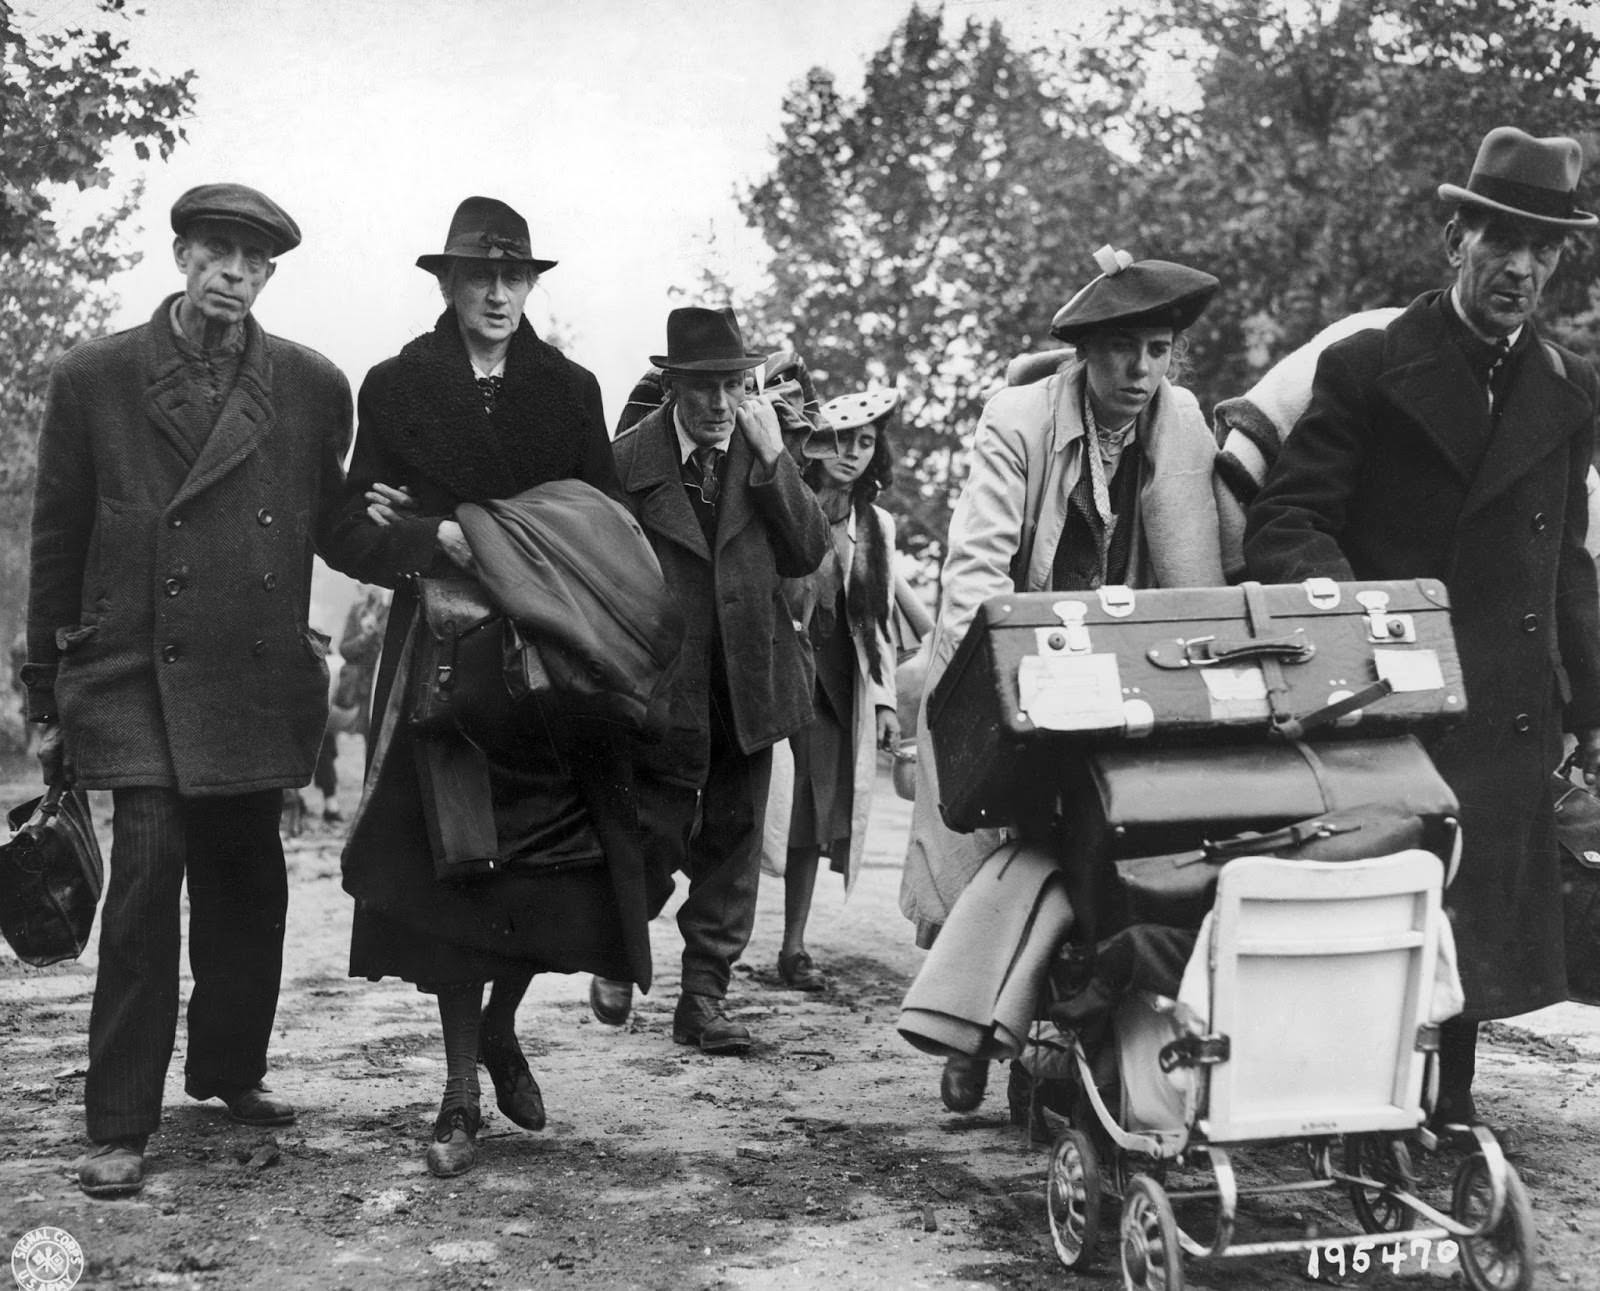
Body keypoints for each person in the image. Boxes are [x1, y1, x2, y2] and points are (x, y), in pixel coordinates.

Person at [1244, 126, 1600, 1139]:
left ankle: (1446, 1100)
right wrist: (1363, 622)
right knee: (1390, 899)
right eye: (1502, 241)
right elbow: (1289, 517)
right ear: (1457, 235)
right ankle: (1354, 1099)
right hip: (1387, 693)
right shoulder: (1369, 366)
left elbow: (1565, 559)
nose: (1521, 268)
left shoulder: (1569, 389)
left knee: (1479, 903)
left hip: (1507, 699)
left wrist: (1592, 709)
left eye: (1545, 249)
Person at [22, 184, 352, 1196]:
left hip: (253, 674)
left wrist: (444, 537)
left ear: (270, 275)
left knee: (250, 880)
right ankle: (120, 1119)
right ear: (180, 256)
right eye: (216, 253)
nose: (233, 275)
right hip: (133, 669)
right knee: (149, 879)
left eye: (253, 263)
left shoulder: (309, 387)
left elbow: (335, 526)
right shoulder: (97, 378)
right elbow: (57, 539)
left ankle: (227, 1070)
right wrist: (43, 691)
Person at [321, 196, 658, 1178]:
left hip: (550, 675)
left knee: (555, 883)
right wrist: (436, 537)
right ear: (447, 284)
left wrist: (520, 543)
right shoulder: (396, 388)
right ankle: (460, 1091)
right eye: (481, 277)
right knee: (453, 879)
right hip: (444, 672)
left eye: (516, 277)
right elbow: (347, 528)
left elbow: (602, 525)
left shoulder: (570, 390)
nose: (500, 293)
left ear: (532, 286)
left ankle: (504, 1028)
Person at [900, 248, 1226, 1114]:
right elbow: (975, 576)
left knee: (1121, 849)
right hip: (1010, 673)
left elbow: (1200, 576)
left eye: (1159, 350)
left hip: (1125, 680)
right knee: (1014, 849)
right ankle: (976, 1031)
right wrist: (1008, 692)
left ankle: (1073, 1043)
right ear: (1086, 351)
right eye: (1124, 350)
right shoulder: (1018, 419)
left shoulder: (1182, 423)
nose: (1142, 371)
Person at [588, 306, 829, 1052]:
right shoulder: (624, 463)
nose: (721, 405)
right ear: (672, 387)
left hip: (749, 681)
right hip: (661, 688)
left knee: (733, 842)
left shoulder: (763, 450)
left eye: (734, 385)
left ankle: (704, 998)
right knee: (648, 836)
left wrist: (774, 464)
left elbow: (807, 551)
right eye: (704, 388)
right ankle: (617, 952)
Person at [772, 388, 902, 991]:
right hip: (778, 672)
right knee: (754, 806)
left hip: (836, 683)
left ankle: (793, 945)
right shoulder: (784, 503)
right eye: (842, 439)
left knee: (811, 814)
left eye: (866, 443)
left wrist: (884, 702)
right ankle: (717, 944)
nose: (852, 454)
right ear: (817, 444)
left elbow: (877, 622)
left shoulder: (877, 526)